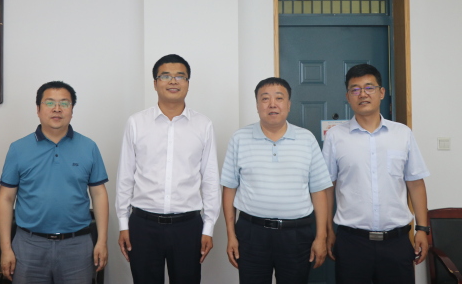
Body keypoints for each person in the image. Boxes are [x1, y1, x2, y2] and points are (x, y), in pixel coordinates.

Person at [116, 54, 221, 284]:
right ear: (155, 83)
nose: (173, 81)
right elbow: (125, 176)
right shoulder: (136, 123)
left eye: (180, 76)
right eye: (165, 76)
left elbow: (210, 179)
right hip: (143, 225)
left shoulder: (203, 125)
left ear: (188, 83)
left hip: (188, 226)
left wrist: (208, 227)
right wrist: (123, 223)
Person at [323, 63, 430, 284]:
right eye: (355, 89)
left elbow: (415, 183)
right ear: (348, 97)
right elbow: (327, 188)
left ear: (381, 92)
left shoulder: (402, 134)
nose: (362, 94)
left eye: (369, 87)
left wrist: (422, 228)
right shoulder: (335, 137)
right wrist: (327, 230)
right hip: (352, 241)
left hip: (397, 242)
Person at [220, 77, 332, 284]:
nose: (272, 104)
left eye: (279, 98)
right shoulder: (239, 138)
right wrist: (231, 235)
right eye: (265, 99)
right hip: (251, 233)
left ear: (288, 104)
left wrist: (321, 236)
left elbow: (319, 191)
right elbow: (229, 188)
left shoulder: (306, 139)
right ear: (257, 105)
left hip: (296, 235)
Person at [0, 81, 109, 284]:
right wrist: (6, 249)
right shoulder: (18, 149)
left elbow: (99, 194)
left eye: (64, 103)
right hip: (29, 245)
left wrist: (101, 241)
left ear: (72, 110)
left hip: (77, 245)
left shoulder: (89, 147)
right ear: (38, 109)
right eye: (49, 103)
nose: (57, 109)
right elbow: (5, 198)